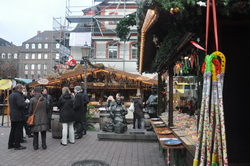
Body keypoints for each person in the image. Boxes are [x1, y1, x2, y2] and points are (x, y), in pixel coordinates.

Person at [8, 84, 29, 150]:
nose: (22, 90)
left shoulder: (11, 94)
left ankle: (10, 144)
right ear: (19, 89)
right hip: (18, 115)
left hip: (13, 114)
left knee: (13, 130)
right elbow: (20, 104)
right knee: (18, 130)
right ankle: (17, 144)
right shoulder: (18, 95)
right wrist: (26, 102)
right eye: (22, 89)